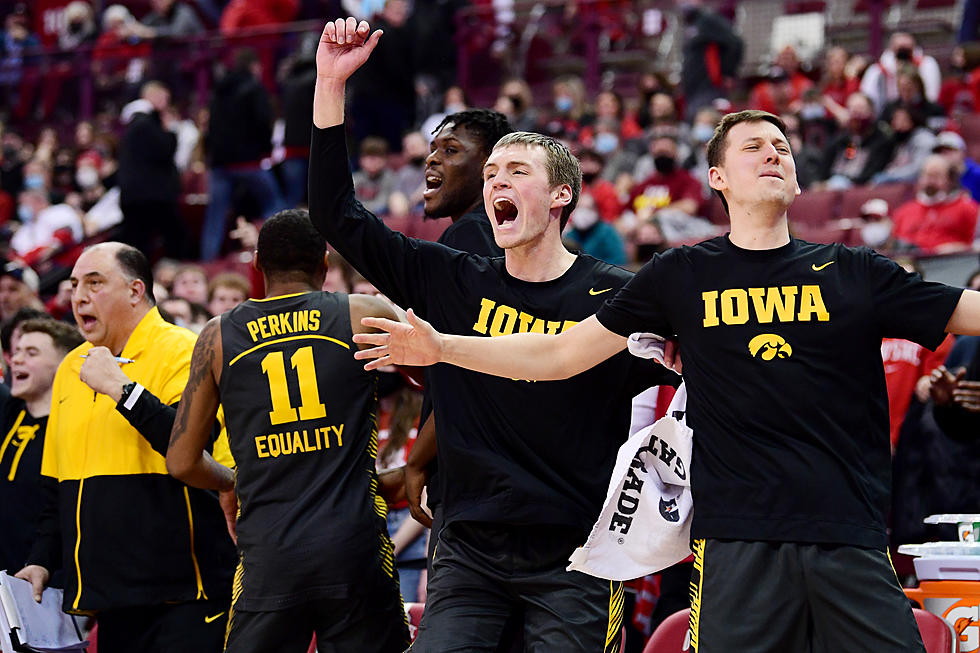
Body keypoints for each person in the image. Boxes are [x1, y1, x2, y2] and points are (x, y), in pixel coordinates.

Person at [355, 109, 980, 652]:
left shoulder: (857, 272)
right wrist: (442, 347)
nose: (773, 153)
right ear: (718, 179)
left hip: (850, 536)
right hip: (736, 543)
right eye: (753, 146)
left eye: (782, 147)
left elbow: (967, 312)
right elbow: (560, 355)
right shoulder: (678, 275)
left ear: (795, 178)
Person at [311, 19, 676, 651]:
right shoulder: (452, 277)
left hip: (578, 552)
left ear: (562, 194)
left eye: (515, 170)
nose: (496, 182)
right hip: (469, 549)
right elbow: (334, 214)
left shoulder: (619, 295)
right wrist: (329, 85)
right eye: (492, 174)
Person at [166, 209, 410, 653]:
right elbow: (452, 388)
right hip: (354, 547)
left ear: (257, 265)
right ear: (324, 264)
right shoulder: (365, 313)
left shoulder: (218, 335)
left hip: (270, 554)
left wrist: (232, 482)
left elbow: (181, 461)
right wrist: (418, 470)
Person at [15, 242, 235, 653]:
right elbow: (54, 484)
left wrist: (123, 391)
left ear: (136, 291)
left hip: (184, 599)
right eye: (75, 284)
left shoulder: (184, 349)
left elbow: (190, 445)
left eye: (95, 283)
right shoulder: (71, 367)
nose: (79, 295)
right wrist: (42, 560)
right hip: (109, 604)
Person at [0, 319, 83, 575]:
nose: (17, 360)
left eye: (31, 353)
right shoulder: (11, 412)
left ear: (63, 366)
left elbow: (59, 511)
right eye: (17, 352)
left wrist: (42, 561)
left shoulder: (75, 429)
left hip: (43, 581)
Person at [117, 81, 186, 260]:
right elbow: (164, 151)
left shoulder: (135, 123)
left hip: (137, 195)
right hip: (152, 196)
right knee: (173, 237)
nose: (166, 103)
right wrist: (171, 131)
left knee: (139, 243)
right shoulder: (145, 123)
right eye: (164, 98)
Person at [890, 154, 979, 254]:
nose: (930, 181)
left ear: (949, 180)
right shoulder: (904, 211)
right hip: (909, 265)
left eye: (936, 176)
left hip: (950, 264)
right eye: (927, 175)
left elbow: (976, 245)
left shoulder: (967, 208)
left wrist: (958, 248)